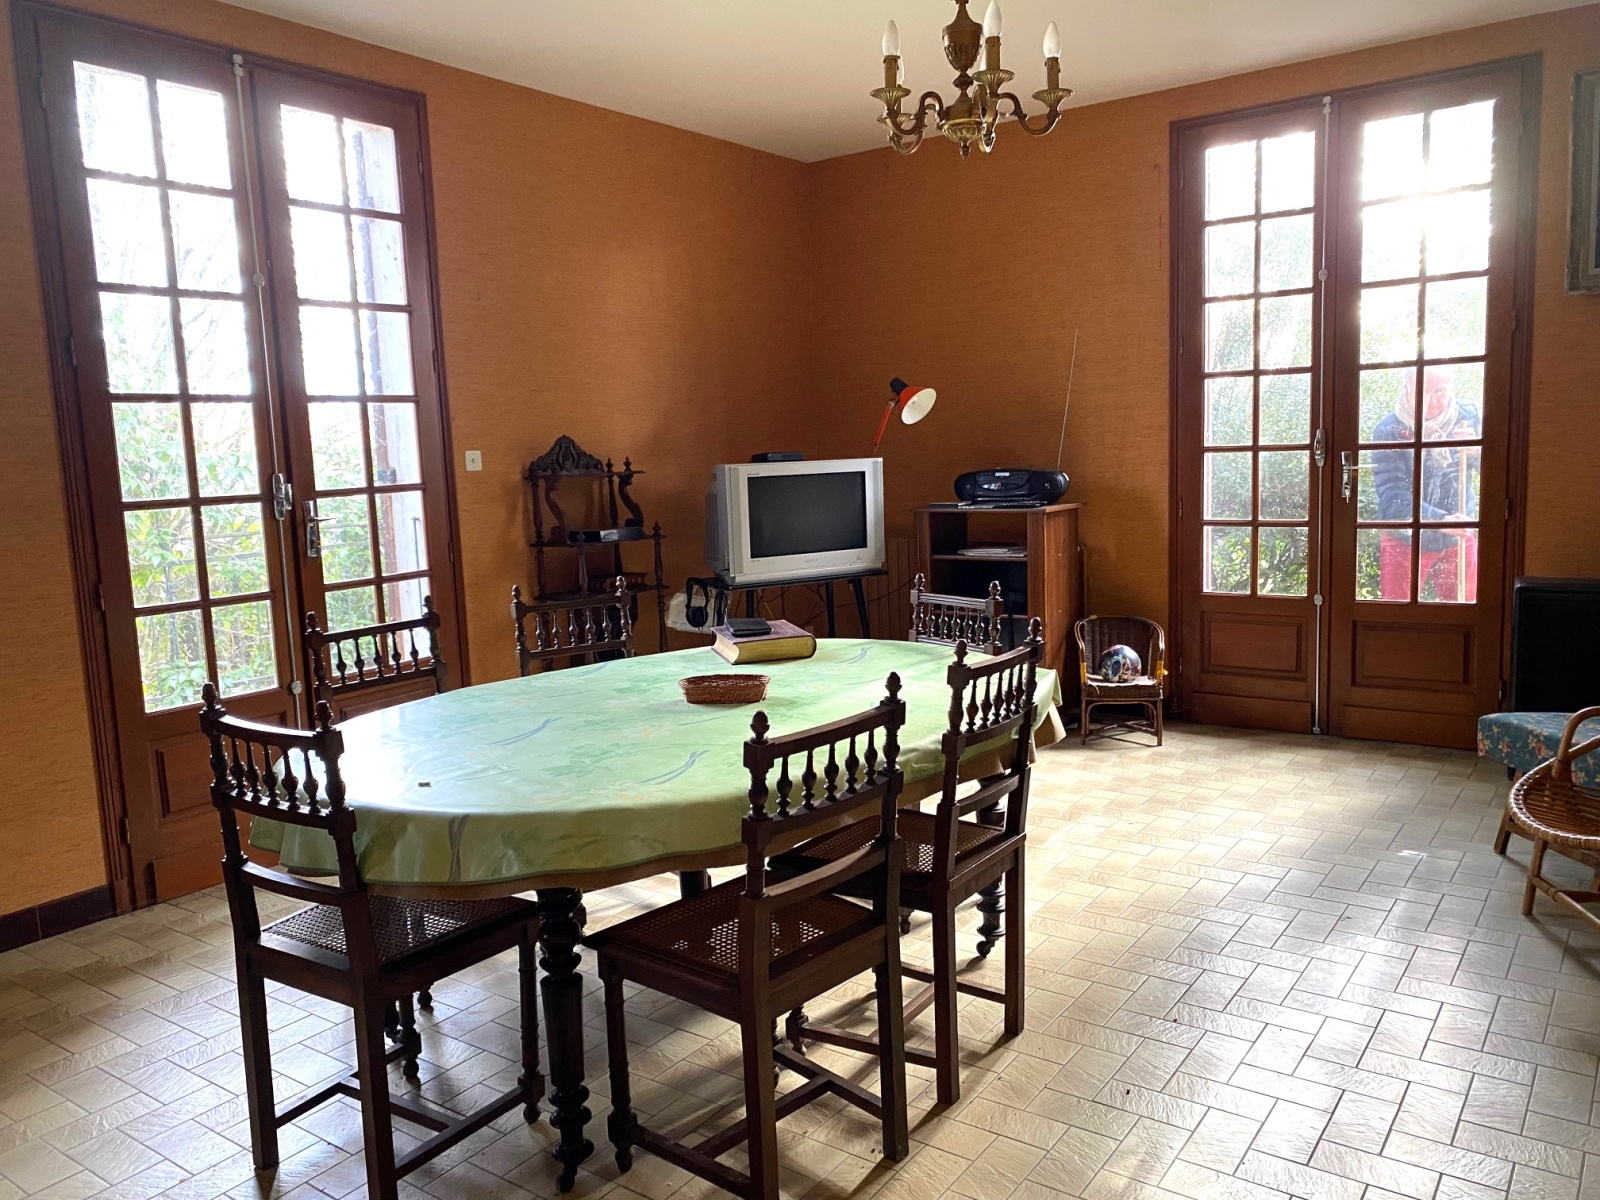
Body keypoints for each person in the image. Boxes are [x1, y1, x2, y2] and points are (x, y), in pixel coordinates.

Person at [1369, 367, 1480, 602]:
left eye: (1440, 391)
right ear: (1406, 388)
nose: (1430, 401)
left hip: (1458, 534)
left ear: (1451, 388)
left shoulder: (1467, 418)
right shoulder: (1389, 430)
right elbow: (1391, 495)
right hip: (1405, 536)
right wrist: (1439, 520)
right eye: (1421, 391)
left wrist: (1478, 452)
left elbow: (1500, 474)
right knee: (1397, 612)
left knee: (1465, 609)